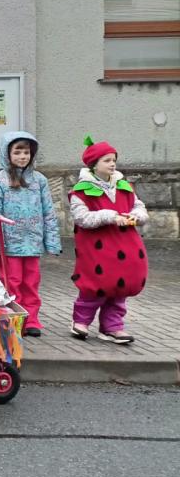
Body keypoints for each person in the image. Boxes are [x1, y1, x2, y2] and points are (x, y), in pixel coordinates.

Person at [68, 138, 148, 344]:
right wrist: (109, 216)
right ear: (94, 164)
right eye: (107, 160)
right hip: (97, 249)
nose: (112, 164)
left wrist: (136, 216)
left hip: (125, 245)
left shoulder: (124, 186)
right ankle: (81, 321)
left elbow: (139, 207)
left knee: (120, 286)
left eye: (114, 160)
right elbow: (82, 218)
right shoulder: (81, 191)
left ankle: (112, 326)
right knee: (96, 284)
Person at [0, 132, 62, 337]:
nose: (22, 156)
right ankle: (14, 318)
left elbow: (48, 211)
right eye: (17, 152)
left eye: (26, 152)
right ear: (7, 153)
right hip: (9, 244)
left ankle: (31, 320)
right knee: (12, 282)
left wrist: (52, 241)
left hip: (32, 242)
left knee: (31, 283)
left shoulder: (39, 180)